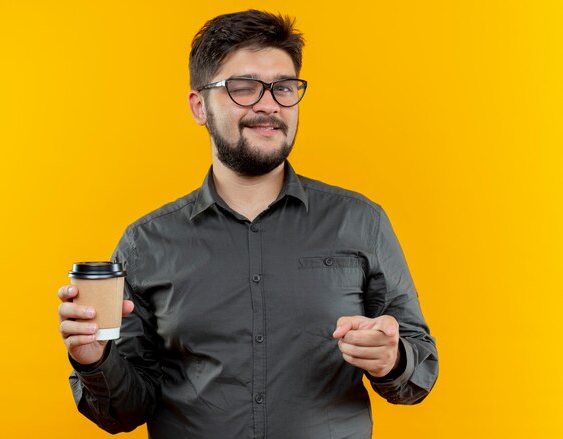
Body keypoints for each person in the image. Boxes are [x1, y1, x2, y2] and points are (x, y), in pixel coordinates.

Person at [58, 9, 438, 439]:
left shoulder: (361, 222)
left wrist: (393, 359)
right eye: (243, 88)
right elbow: (122, 413)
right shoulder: (146, 244)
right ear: (199, 106)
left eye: (284, 87)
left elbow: (420, 372)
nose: (269, 104)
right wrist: (94, 358)